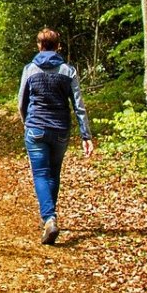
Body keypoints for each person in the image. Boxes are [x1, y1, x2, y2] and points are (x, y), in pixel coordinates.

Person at [17, 28, 94, 245]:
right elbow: (79, 106)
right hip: (60, 130)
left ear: (39, 45)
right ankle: (50, 215)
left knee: (41, 174)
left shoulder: (30, 69)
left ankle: (49, 218)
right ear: (58, 46)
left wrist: (27, 123)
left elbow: (21, 102)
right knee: (53, 173)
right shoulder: (68, 71)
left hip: (36, 128)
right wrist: (85, 135)